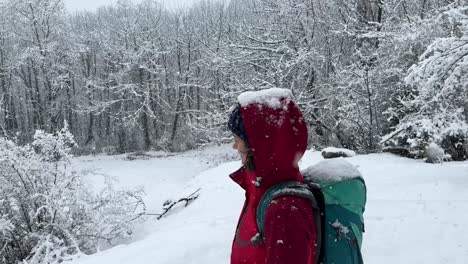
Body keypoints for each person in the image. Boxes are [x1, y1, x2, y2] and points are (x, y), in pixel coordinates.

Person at [227, 88, 316, 264]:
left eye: (237, 139)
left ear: (257, 145)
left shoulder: (284, 211)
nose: (234, 146)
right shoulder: (262, 186)